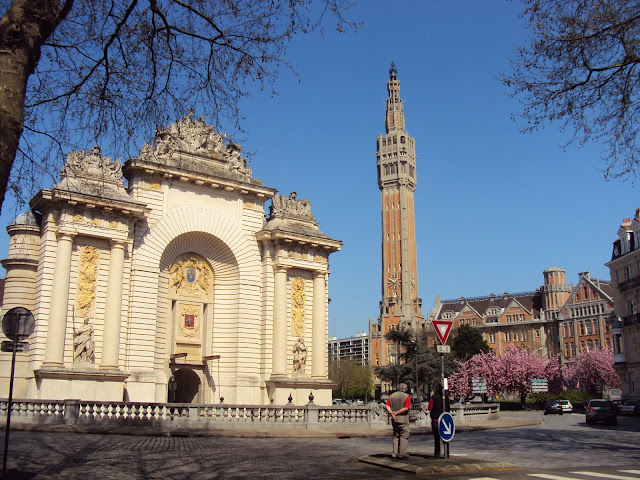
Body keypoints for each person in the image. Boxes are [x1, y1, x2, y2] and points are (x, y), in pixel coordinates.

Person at [385, 383, 411, 459]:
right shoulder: (406, 396)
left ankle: (394, 453)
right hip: (403, 419)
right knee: (404, 436)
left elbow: (387, 405)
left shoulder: (392, 396)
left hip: (394, 419)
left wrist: (392, 413)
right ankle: (402, 453)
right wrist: (397, 412)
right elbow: (406, 408)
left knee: (396, 436)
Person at [428, 383, 449, 459]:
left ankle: (437, 454)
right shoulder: (446, 397)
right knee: (446, 438)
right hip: (445, 420)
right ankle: (447, 453)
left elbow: (430, 407)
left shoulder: (433, 397)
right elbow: (448, 407)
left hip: (436, 420)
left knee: (437, 439)